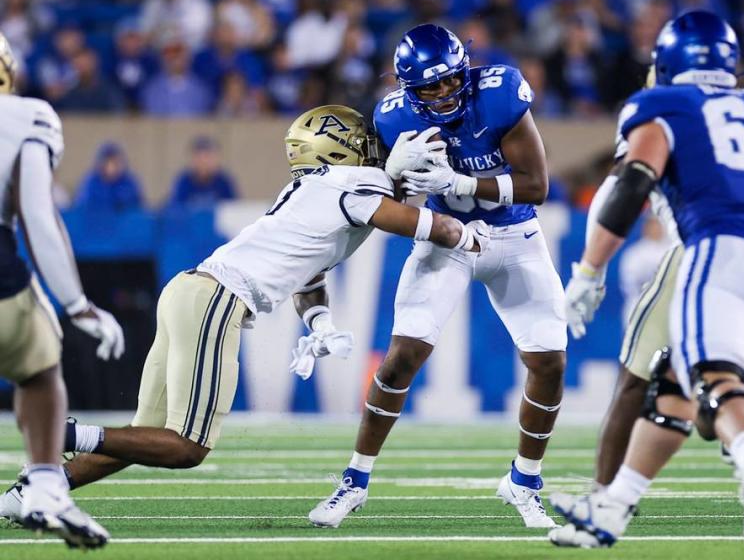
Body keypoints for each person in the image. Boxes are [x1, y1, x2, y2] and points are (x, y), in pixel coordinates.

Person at [0, 105, 486, 511]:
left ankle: (31, 491)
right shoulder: (351, 185)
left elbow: (308, 274)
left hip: (191, 292)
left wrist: (319, 322)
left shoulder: (322, 190)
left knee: (143, 436)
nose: (374, 147)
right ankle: (62, 431)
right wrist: (469, 228)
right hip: (216, 300)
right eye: (365, 141)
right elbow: (423, 226)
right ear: (340, 149)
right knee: (187, 447)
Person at [553, 11, 744, 548]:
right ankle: (611, 508)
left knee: (707, 384)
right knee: (678, 390)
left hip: (720, 256)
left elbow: (632, 186)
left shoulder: (662, 107)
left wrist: (588, 270)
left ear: (667, 63)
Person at [313, 24, 566, 529]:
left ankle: (524, 480)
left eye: (451, 80)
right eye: (431, 87)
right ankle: (354, 481)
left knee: (550, 362)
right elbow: (387, 202)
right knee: (403, 356)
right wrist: (396, 177)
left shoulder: (498, 94)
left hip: (513, 235)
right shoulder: (393, 116)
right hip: (446, 237)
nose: (446, 92)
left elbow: (537, 185)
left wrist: (461, 181)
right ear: (410, 89)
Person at [0, 31, 123, 548]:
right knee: (39, 367)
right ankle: (48, 485)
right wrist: (77, 304)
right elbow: (36, 213)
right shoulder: (25, 116)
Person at [167, 136, 237, 208]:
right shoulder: (184, 180)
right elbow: (175, 208)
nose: (204, 161)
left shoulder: (224, 181)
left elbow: (234, 209)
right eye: (200, 157)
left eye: (208, 156)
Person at [72, 142, 143, 211]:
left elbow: (138, 207)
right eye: (107, 163)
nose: (111, 168)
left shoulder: (129, 183)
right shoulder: (91, 183)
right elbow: (82, 207)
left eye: (114, 163)